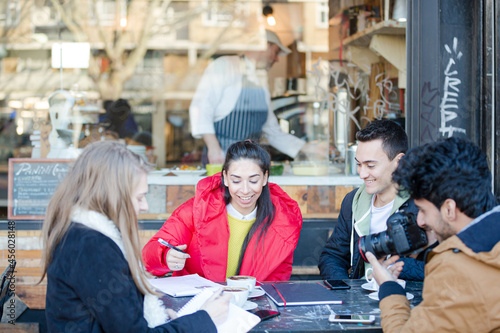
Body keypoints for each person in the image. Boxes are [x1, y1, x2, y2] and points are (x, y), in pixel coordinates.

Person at [40, 141, 231, 332]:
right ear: (112, 196)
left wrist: (170, 323)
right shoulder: (93, 247)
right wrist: (205, 319)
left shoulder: (80, 235)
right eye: (139, 197)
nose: (145, 206)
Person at [366, 137, 500, 332]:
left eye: (423, 210)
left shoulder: (457, 271)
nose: (420, 221)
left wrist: (389, 287)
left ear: (449, 209)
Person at [142, 140, 303, 281]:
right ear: (225, 178)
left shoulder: (282, 221)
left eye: (253, 180)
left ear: (265, 178)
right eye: (236, 180)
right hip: (197, 307)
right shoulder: (195, 210)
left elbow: (278, 278)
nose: (245, 190)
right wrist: (165, 256)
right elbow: (149, 258)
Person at [318, 119, 437, 281]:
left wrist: (399, 268)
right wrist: (347, 291)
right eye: (359, 164)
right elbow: (332, 256)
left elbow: (446, 271)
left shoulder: (422, 206)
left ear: (399, 162)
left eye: (370, 166)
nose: (362, 174)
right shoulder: (353, 201)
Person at [190, 30, 317, 164]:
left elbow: (273, 132)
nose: (277, 59)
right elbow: (201, 107)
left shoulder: (261, 83)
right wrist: (213, 148)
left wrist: (308, 148)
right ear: (265, 45)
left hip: (251, 167)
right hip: (220, 161)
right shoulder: (224, 65)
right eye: (276, 52)